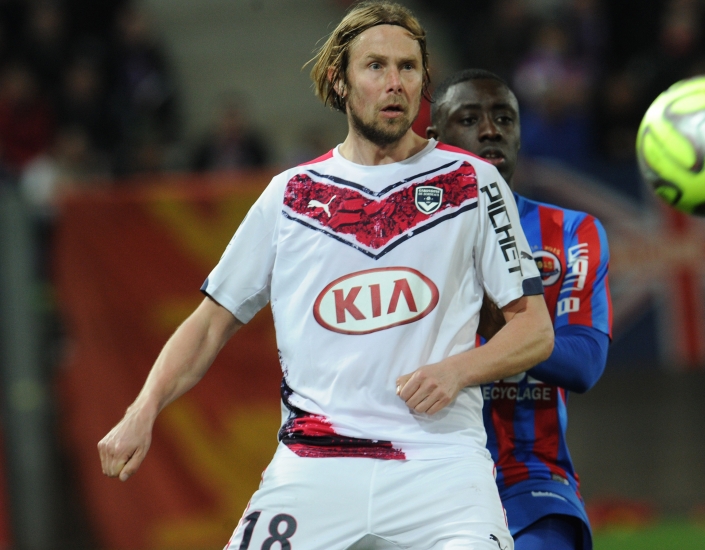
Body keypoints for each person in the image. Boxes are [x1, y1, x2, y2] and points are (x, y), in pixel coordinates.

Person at [98, 3, 553, 549]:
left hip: (440, 463)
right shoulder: (289, 196)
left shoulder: (472, 183)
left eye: (408, 68)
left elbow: (534, 329)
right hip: (312, 465)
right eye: (376, 66)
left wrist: (458, 370)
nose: (394, 83)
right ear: (340, 80)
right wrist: (142, 410)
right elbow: (209, 323)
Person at [428, 69, 611, 550]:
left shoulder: (570, 232)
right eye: (469, 118)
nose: (490, 130)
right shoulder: (398, 241)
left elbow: (584, 362)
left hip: (526, 478)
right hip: (423, 473)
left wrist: (501, 323)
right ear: (433, 138)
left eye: (504, 118)